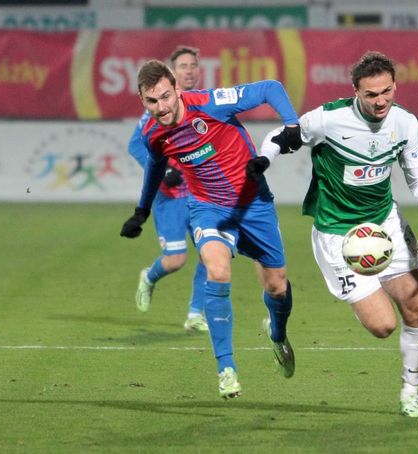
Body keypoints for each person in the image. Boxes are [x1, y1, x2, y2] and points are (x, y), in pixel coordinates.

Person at [254, 51, 418, 417]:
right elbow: (279, 135)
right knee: (383, 326)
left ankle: (411, 394)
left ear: (395, 86)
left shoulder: (405, 123)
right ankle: (360, 295)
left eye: (386, 92)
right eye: (371, 94)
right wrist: (264, 161)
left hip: (385, 226)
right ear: (356, 92)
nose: (380, 101)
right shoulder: (328, 119)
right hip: (339, 236)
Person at [120, 59, 303, 399]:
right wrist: (141, 211)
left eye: (165, 97)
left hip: (254, 205)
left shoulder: (210, 103)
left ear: (177, 89)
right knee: (217, 271)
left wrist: (291, 124)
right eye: (151, 101)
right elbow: (155, 169)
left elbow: (270, 88)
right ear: (142, 101)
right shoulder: (152, 134)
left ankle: (277, 334)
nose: (161, 108)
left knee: (277, 286)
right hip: (207, 208)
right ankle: (226, 369)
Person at [127, 46, 208, 332]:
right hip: (171, 197)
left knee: (213, 254)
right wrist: (166, 172)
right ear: (172, 75)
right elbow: (135, 145)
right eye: (183, 66)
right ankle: (149, 277)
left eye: (193, 65)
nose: (190, 70)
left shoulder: (203, 102)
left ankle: (195, 314)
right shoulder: (157, 108)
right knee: (176, 259)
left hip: (201, 194)